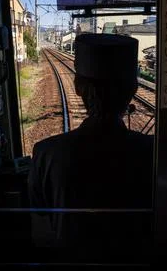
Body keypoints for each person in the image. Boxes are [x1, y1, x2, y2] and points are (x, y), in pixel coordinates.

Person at [28, 33, 154, 253]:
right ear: (133, 90)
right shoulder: (156, 153)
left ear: (77, 88)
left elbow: (41, 216)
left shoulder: (45, 153)